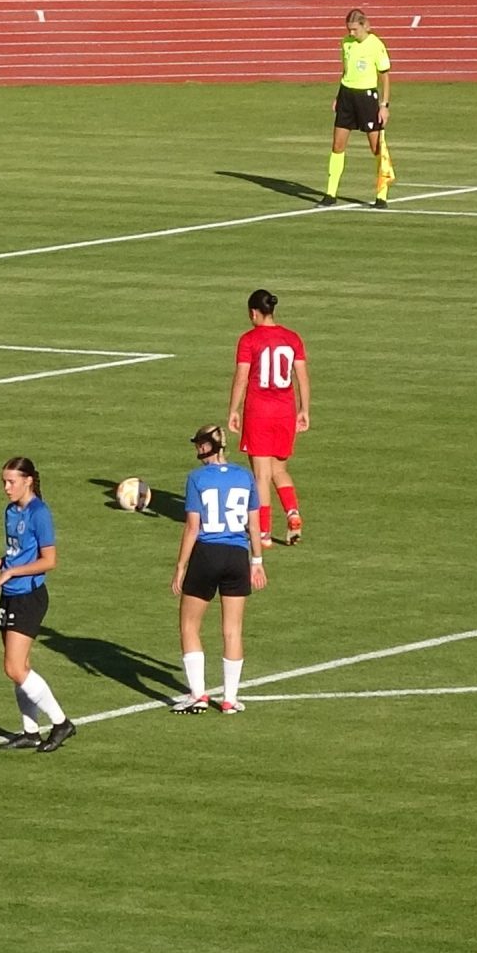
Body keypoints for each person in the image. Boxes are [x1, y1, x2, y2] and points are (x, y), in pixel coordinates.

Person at [0, 457, 77, 752]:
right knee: (21, 665)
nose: (6, 488)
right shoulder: (10, 511)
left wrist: (10, 572)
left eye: (11, 482)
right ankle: (30, 731)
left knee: (14, 668)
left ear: (28, 481)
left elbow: (49, 560)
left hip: (29, 596)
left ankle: (61, 723)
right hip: (11, 593)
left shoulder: (39, 513)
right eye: (4, 482)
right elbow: (16, 553)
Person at [172, 425, 264, 714]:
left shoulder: (197, 478)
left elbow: (192, 527)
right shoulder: (245, 476)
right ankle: (229, 699)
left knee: (189, 624)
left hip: (207, 554)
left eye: (199, 444)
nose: (197, 449)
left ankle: (198, 694)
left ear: (207, 446)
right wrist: (257, 561)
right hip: (238, 555)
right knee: (233, 630)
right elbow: (254, 523)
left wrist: (180, 566)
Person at [226, 288, 311, 548]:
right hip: (285, 411)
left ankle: (263, 532)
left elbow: (242, 377)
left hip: (259, 412)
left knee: (261, 475)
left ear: (254, 312)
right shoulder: (292, 338)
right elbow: (302, 376)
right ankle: (293, 512)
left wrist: (233, 409)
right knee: (279, 469)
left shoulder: (249, 340)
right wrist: (304, 409)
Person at [325, 8, 394, 206]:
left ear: (365, 26)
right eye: (349, 30)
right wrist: (339, 96)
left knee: (376, 147)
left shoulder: (376, 45)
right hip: (347, 96)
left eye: (354, 29)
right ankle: (330, 194)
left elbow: (385, 77)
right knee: (337, 145)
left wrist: (384, 105)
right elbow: (345, 70)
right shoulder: (345, 43)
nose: (351, 34)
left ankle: (381, 195)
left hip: (366, 98)